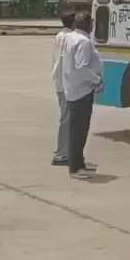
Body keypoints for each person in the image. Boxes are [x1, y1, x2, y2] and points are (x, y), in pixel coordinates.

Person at [62, 12, 103, 180]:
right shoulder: (84, 42)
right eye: (91, 23)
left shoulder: (70, 37)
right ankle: (75, 168)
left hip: (72, 88)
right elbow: (82, 67)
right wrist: (97, 80)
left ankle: (79, 162)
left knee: (77, 130)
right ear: (87, 25)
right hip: (82, 91)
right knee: (79, 131)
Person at [50, 9, 77, 166]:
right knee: (67, 119)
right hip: (68, 84)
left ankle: (64, 150)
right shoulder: (70, 38)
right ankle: (61, 154)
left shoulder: (59, 36)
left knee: (66, 117)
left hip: (59, 81)